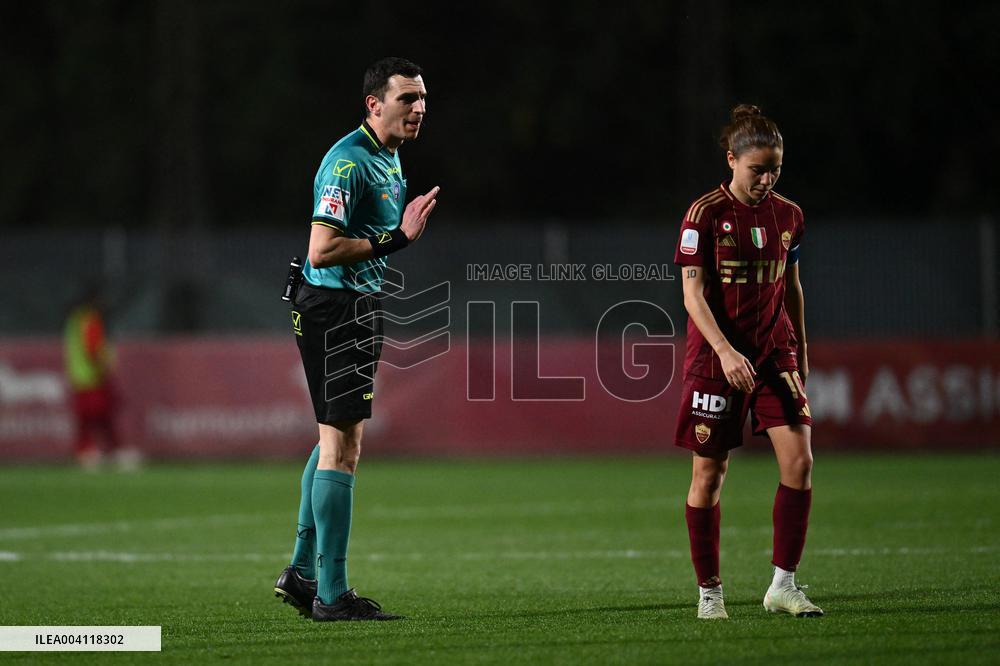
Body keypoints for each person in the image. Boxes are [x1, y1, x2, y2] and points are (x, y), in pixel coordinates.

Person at [273, 57, 439, 622]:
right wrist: (398, 239)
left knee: (334, 439)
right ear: (374, 104)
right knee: (342, 448)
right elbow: (321, 250)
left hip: (356, 305)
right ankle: (331, 593)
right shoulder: (348, 162)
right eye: (406, 98)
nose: (418, 108)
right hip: (335, 309)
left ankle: (303, 573)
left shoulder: (387, 155)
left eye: (422, 98)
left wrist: (392, 240)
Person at [672, 104, 821, 619]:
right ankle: (710, 592)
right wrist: (725, 351)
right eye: (758, 169)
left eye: (775, 169)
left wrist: (801, 350)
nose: (766, 179)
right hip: (717, 358)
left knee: (800, 462)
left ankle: (784, 585)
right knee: (709, 475)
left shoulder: (790, 215)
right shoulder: (704, 215)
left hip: (774, 352)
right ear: (732, 160)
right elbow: (692, 296)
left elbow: (792, 287)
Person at [63, 284, 136, 470]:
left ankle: (102, 450)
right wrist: (104, 367)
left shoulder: (76, 319)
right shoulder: (89, 320)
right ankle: (93, 451)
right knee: (94, 416)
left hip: (81, 376)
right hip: (92, 376)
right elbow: (93, 348)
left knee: (97, 416)